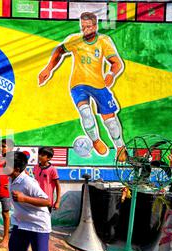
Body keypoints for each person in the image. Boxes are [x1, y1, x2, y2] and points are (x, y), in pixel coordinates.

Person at [39, 12, 127, 162]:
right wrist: (48, 68)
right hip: (78, 85)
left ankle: (120, 147)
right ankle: (95, 141)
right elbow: (59, 50)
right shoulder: (75, 40)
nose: (85, 30)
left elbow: (117, 63)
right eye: (82, 27)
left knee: (110, 121)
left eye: (88, 27)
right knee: (86, 113)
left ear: (95, 26)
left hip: (98, 85)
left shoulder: (104, 41)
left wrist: (111, 75)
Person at [0, 151, 58, 251]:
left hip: (38, 224)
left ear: (16, 168)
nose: (4, 166)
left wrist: (24, 198)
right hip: (21, 222)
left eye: (7, 165)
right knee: (15, 250)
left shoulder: (28, 182)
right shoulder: (13, 178)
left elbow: (47, 201)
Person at [34, 147, 61, 212]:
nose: (40, 156)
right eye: (39, 154)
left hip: (46, 201)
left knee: (45, 221)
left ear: (49, 158)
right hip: (36, 199)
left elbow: (58, 186)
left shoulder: (52, 170)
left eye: (42, 155)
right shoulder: (36, 167)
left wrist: (57, 202)